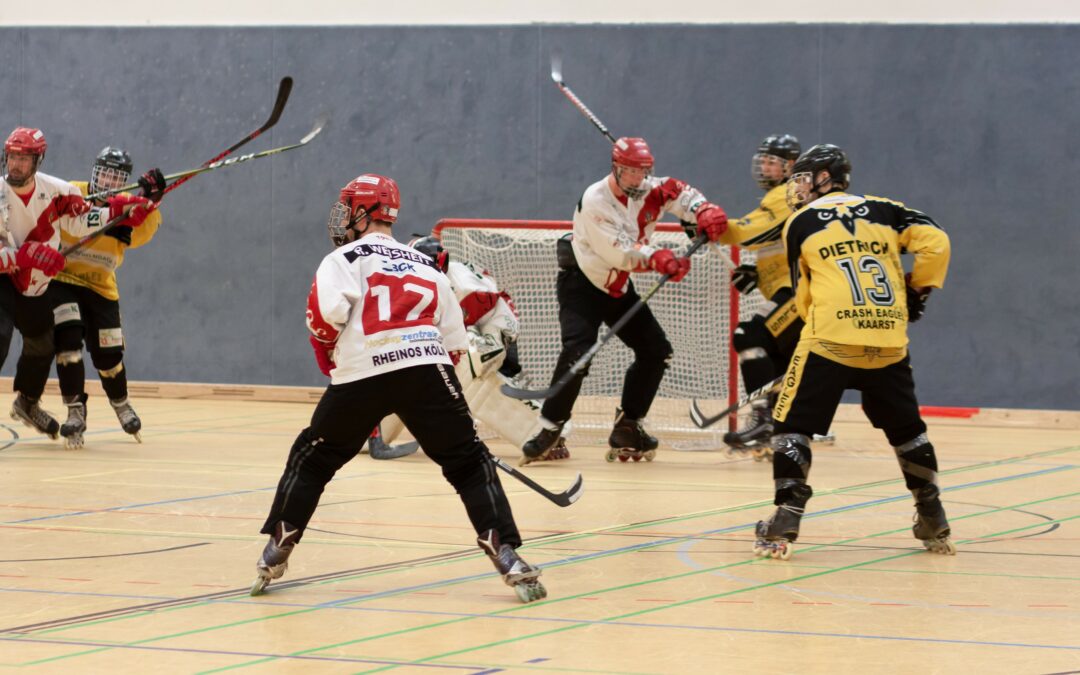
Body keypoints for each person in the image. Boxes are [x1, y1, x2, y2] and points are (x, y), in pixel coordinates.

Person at [253, 174, 546, 603]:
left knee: (313, 458)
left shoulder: (342, 258)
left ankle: (278, 546)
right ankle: (507, 555)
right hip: (426, 365)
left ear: (361, 211)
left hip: (362, 369)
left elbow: (322, 317)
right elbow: (454, 341)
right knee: (468, 462)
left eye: (347, 205)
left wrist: (333, 359)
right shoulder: (426, 266)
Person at [753, 144, 954, 560]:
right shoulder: (888, 209)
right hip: (888, 339)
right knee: (908, 431)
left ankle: (786, 517)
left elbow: (803, 293)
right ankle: (932, 515)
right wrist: (919, 289)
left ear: (825, 178)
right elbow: (937, 243)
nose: (799, 187)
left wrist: (815, 331)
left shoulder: (800, 222)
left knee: (792, 425)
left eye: (804, 178)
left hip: (830, 337)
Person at [521, 136, 729, 463]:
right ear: (615, 168)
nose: (638, 179)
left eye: (643, 171)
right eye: (630, 172)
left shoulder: (650, 189)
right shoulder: (595, 200)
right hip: (582, 285)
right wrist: (659, 258)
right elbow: (619, 252)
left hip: (618, 289)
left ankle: (628, 426)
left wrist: (704, 209)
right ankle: (550, 428)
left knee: (656, 351)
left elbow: (679, 192)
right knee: (579, 351)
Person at [0, 127, 153, 440]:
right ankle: (69, 407)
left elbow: (80, 219)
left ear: (37, 160)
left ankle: (27, 403)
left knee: (43, 343)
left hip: (34, 286)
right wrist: (28, 255)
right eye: (12, 157)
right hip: (5, 281)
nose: (15, 164)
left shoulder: (58, 190)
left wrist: (117, 212)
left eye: (23, 158)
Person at [376, 235, 570, 465]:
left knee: (478, 369)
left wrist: (491, 351)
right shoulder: (407, 280)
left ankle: (544, 433)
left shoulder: (467, 289)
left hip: (494, 324)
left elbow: (500, 317)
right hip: (456, 327)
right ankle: (367, 432)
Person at [51, 147, 165, 448]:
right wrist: (105, 213)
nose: (109, 181)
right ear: (94, 172)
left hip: (101, 286)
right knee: (68, 339)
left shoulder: (129, 205)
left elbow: (143, 231)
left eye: (117, 177)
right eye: (104, 173)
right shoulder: (73, 192)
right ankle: (75, 410)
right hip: (63, 279)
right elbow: (64, 221)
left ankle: (121, 402)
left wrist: (151, 203)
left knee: (109, 354)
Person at [707, 134, 804, 455]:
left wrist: (710, 224)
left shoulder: (786, 194)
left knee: (748, 336)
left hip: (803, 292)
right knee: (777, 357)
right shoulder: (786, 197)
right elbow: (781, 249)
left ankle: (762, 416)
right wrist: (757, 274)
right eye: (763, 160)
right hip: (796, 290)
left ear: (790, 167)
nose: (764, 166)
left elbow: (751, 232)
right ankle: (781, 425)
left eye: (771, 161)